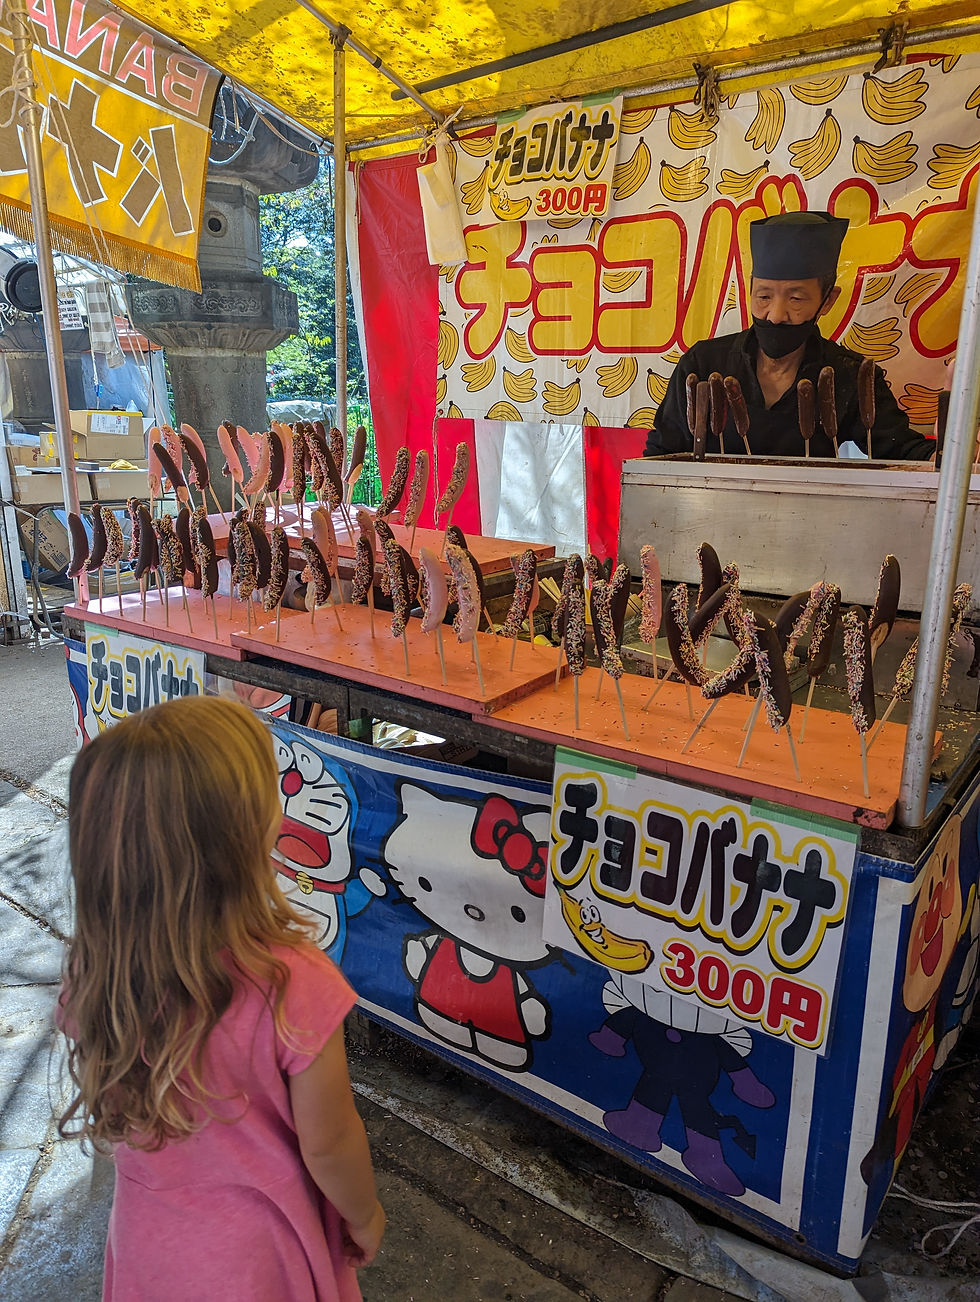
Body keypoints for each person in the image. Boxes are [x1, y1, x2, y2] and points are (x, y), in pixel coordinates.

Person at [58, 695, 385, 1302]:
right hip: (266, 1258)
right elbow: (331, 1139)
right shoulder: (296, 983)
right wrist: (363, 1215)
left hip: (147, 1248)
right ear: (238, 838)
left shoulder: (96, 969)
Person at [644, 211, 935, 461]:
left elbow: (902, 450)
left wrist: (961, 454)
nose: (775, 314)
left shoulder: (849, 375)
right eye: (764, 296)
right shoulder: (703, 365)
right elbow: (662, 454)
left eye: (796, 299)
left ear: (828, 300)